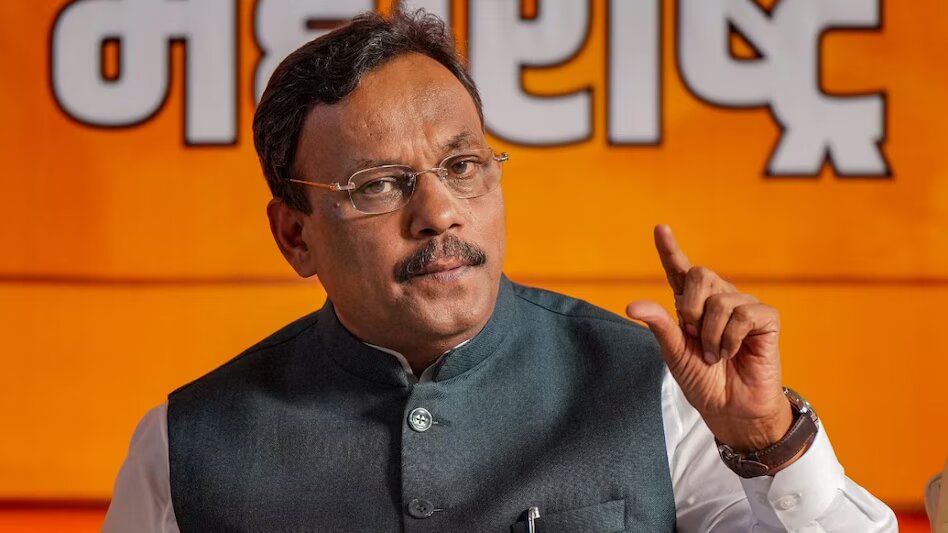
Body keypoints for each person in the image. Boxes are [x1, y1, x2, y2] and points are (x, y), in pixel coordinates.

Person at [103, 9, 896, 532]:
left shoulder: (658, 389)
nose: (440, 212)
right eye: (378, 184)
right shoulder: (183, 444)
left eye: (463, 166)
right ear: (294, 236)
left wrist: (767, 437)